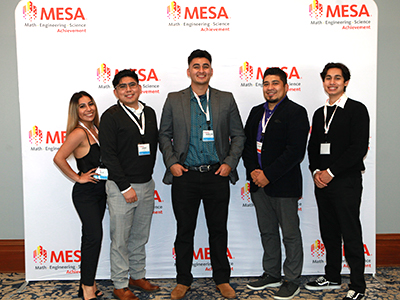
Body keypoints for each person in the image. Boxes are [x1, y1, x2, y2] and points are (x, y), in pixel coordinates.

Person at [159, 49, 245, 300]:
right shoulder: (174, 99)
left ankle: (222, 278)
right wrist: (172, 162)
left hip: (216, 175)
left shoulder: (225, 99)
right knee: (185, 230)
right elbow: (164, 134)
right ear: (189, 71)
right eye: (196, 66)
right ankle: (183, 280)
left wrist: (229, 163)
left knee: (218, 229)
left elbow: (238, 135)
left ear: (211, 70)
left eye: (205, 66)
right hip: (184, 175)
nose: (201, 70)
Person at [242, 68, 309, 300]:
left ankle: (291, 279)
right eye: (266, 83)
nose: (270, 87)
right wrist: (253, 172)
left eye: (275, 83)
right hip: (258, 184)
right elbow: (247, 145)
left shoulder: (296, 112)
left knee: (290, 234)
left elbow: (295, 152)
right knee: (267, 232)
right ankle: (271, 273)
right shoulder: (255, 112)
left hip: (284, 184)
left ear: (286, 86)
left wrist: (268, 175)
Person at [305, 63, 369, 300]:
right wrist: (315, 173)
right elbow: (312, 148)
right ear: (323, 82)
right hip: (322, 182)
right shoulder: (319, 113)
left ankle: (358, 286)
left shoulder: (356, 109)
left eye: (337, 78)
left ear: (346, 82)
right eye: (328, 78)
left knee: (350, 232)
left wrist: (330, 172)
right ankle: (332, 275)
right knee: (329, 231)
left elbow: (358, 148)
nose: (332, 82)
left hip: (346, 181)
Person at [99, 70, 159, 300]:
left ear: (140, 87)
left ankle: (137, 276)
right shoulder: (111, 116)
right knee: (121, 239)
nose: (128, 90)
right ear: (115, 91)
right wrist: (125, 187)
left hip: (146, 183)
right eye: (122, 86)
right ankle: (120, 284)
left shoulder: (150, 113)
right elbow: (109, 155)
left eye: (132, 85)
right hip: (120, 187)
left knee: (139, 236)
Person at [54, 91, 106, 300]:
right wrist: (78, 177)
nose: (88, 109)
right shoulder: (79, 132)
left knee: (92, 238)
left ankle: (89, 283)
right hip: (86, 194)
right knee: (93, 237)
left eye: (90, 104)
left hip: (100, 191)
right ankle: (86, 289)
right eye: (82, 106)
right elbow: (59, 158)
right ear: (76, 112)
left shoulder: (95, 129)